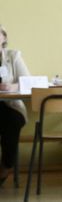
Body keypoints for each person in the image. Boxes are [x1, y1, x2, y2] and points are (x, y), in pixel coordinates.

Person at [0, 25, 29, 185]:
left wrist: (14, 87)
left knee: (13, 121)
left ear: (4, 37)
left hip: (10, 107)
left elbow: (28, 81)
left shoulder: (13, 56)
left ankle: (5, 167)